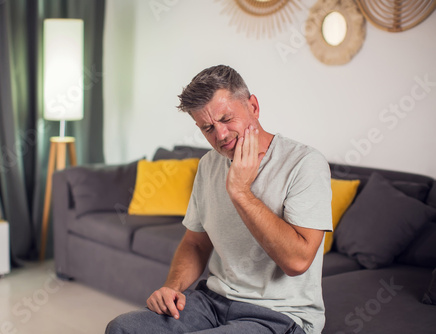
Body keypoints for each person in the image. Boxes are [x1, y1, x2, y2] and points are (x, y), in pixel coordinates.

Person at [106, 65, 332, 334]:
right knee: (122, 328)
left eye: (227, 119)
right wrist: (172, 287)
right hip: (213, 303)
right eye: (207, 128)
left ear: (254, 106)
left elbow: (297, 263)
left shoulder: (304, 163)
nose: (220, 135)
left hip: (280, 315)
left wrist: (241, 192)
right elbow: (195, 243)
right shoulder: (208, 165)